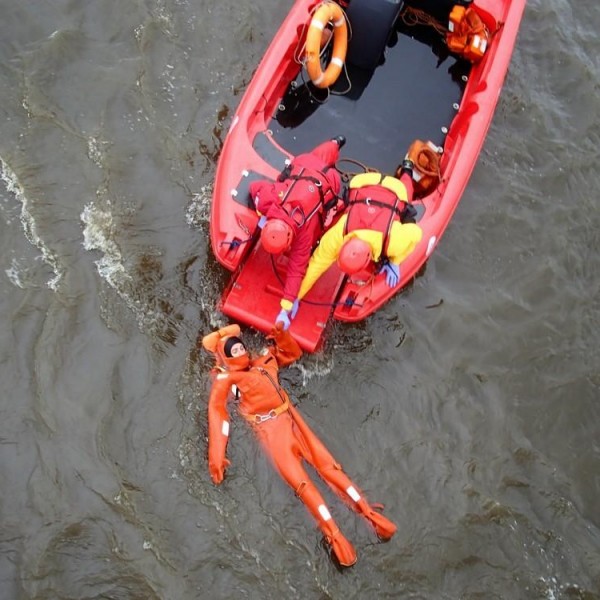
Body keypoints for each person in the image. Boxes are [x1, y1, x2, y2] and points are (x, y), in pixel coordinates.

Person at [201, 323, 397, 567]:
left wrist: (282, 336)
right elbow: (218, 414)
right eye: (235, 350)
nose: (241, 351)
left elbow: (291, 354)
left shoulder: (264, 362)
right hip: (271, 431)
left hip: (292, 420)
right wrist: (217, 454)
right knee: (302, 484)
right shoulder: (228, 379)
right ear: (226, 357)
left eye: (241, 347)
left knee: (328, 466)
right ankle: (335, 536)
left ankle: (369, 513)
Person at [295, 159, 423, 303]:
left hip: (384, 186)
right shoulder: (339, 234)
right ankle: (406, 169)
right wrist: (296, 298)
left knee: (406, 194)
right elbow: (316, 266)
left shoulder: (393, 242)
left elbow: (416, 233)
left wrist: (396, 260)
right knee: (345, 211)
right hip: (364, 182)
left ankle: (407, 171)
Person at [249, 137, 346, 329]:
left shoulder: (304, 233)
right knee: (323, 154)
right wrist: (262, 214)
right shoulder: (271, 202)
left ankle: (335, 143)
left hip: (329, 179)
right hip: (305, 162)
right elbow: (255, 189)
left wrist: (287, 305)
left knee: (326, 222)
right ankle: (336, 142)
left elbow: (296, 270)